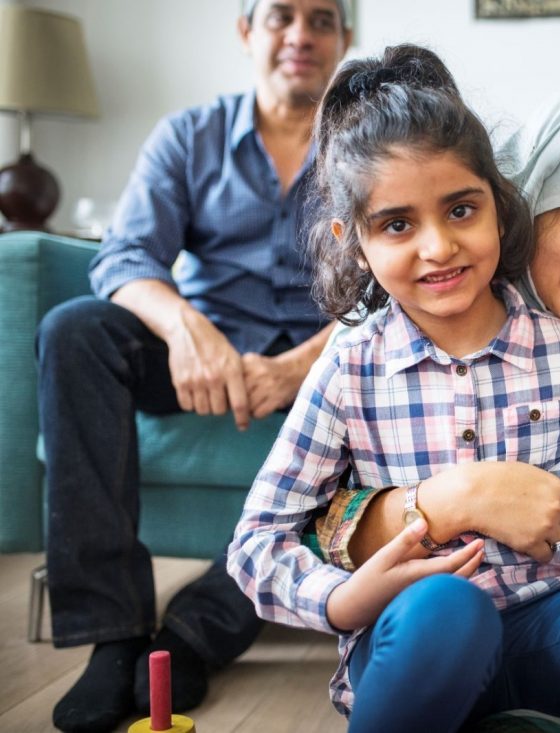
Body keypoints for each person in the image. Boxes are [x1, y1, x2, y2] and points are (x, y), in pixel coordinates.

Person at [227, 46, 560, 733]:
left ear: (500, 205)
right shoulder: (352, 365)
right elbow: (257, 539)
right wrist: (343, 599)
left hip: (547, 632)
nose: (438, 247)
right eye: (398, 224)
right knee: (447, 605)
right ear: (354, 240)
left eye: (461, 209)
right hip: (422, 636)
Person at [35, 2, 351, 731]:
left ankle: (193, 637)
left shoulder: (368, 147)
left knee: (387, 399)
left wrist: (303, 366)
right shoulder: (188, 135)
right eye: (280, 15)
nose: (300, 35)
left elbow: (387, 289)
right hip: (200, 354)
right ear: (247, 33)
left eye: (321, 19)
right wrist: (187, 328)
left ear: (342, 40)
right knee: (75, 331)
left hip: (324, 372)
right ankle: (111, 635)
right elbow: (125, 255)